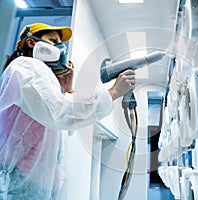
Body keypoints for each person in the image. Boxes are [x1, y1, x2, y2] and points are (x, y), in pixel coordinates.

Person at [0, 23, 136, 199]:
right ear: (32, 43)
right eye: (53, 41)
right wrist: (113, 93)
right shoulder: (26, 66)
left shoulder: (41, 75)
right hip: (19, 178)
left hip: (33, 180)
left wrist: (67, 90)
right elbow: (58, 113)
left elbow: (62, 127)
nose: (60, 48)